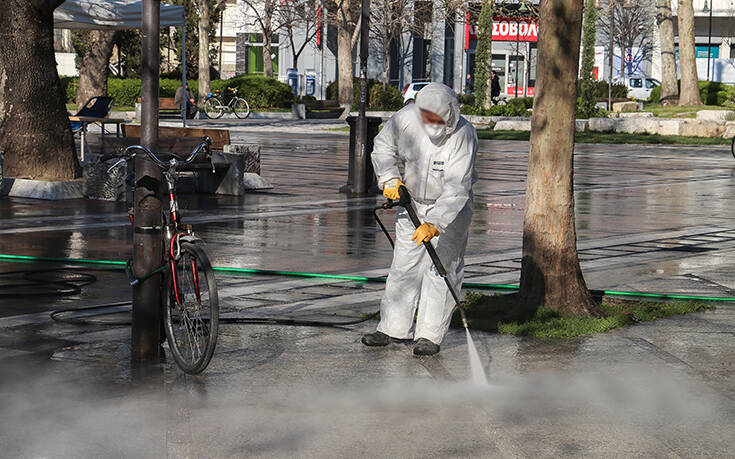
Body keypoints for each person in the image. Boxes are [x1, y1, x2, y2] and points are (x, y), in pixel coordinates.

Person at [362, 82, 478, 356]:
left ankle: (429, 336)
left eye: (438, 119)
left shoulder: (464, 135)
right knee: (404, 266)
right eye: (428, 117)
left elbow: (457, 186)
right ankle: (392, 328)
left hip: (451, 211)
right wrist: (390, 179)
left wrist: (436, 223)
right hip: (411, 203)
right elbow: (382, 147)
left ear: (451, 113)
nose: (432, 124)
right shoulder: (405, 120)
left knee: (440, 270)